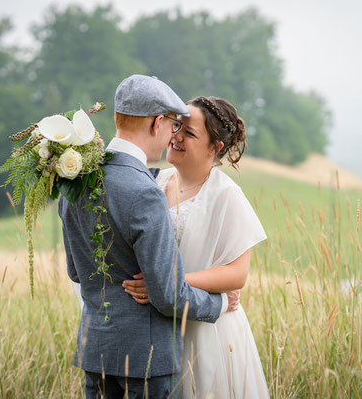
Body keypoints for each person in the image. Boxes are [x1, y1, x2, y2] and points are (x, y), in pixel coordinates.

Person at [60, 75, 239, 399]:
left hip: (94, 352)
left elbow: (76, 271)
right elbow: (168, 295)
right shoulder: (145, 192)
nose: (173, 137)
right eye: (173, 126)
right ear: (157, 123)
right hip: (146, 360)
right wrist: (221, 302)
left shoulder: (73, 181)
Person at [123, 96, 269, 398]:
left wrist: (166, 286)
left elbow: (237, 274)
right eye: (176, 126)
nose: (175, 136)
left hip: (209, 332)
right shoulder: (158, 183)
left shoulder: (226, 195)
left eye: (189, 133)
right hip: (160, 331)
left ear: (215, 148)